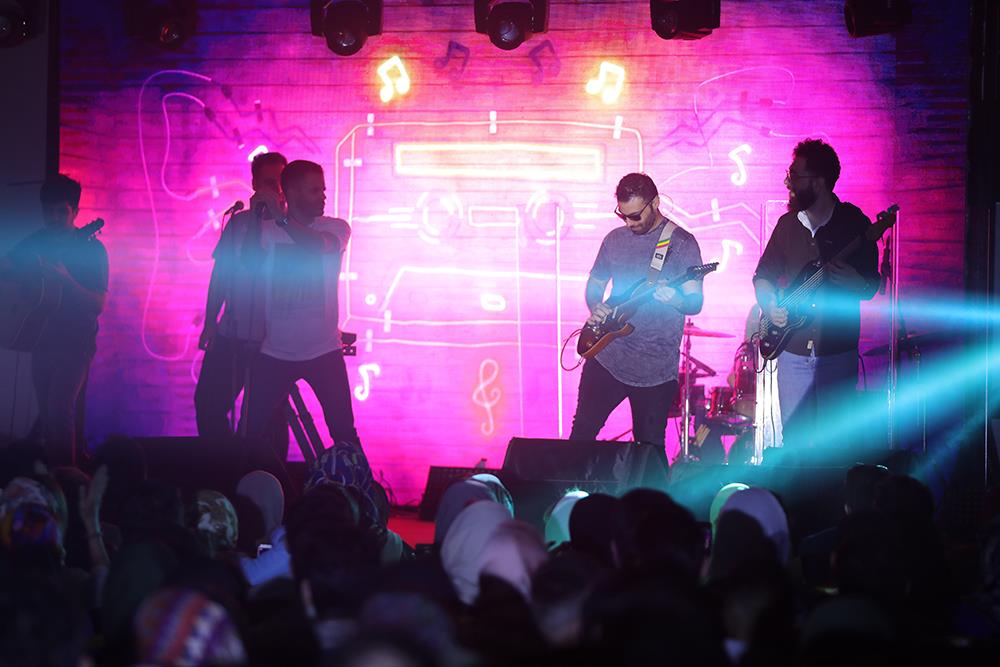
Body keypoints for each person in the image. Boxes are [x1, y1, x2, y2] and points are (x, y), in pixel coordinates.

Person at [752, 139, 880, 448]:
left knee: (836, 445)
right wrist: (770, 306)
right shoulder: (787, 225)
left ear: (819, 182)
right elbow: (762, 277)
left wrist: (856, 283)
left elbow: (872, 284)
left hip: (837, 351)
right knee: (795, 444)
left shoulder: (854, 223)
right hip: (792, 351)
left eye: (795, 175)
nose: (788, 182)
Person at [569, 172, 704, 449]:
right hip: (608, 354)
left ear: (655, 202)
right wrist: (596, 306)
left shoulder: (682, 244)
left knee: (649, 450)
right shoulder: (614, 240)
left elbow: (695, 303)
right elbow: (596, 284)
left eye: (635, 216)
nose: (629, 223)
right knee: (581, 435)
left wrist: (675, 300)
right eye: (623, 215)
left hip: (654, 368)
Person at [242, 160, 360, 456]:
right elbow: (247, 264)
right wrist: (256, 219)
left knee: (344, 432)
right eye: (314, 190)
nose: (323, 196)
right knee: (250, 432)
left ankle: (358, 484)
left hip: (324, 351)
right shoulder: (269, 231)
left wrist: (281, 218)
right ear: (292, 193)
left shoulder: (336, 227)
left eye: (323, 189)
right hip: (275, 353)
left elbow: (316, 245)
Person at [1, 174, 108, 465]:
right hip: (41, 336)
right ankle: (55, 472)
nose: (55, 218)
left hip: (76, 340)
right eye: (49, 212)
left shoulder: (92, 249)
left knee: (59, 410)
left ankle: (66, 478)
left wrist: (66, 280)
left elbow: (98, 304)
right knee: (49, 414)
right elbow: (6, 265)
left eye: (62, 211)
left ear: (75, 212)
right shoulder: (37, 241)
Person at [195, 151, 287, 440]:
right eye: (269, 183)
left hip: (273, 341)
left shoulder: (294, 229)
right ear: (255, 185)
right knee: (208, 404)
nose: (276, 189)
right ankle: (223, 462)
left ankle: (263, 467)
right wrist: (210, 321)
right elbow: (221, 275)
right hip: (232, 332)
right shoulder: (239, 224)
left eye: (281, 183)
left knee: (266, 421)